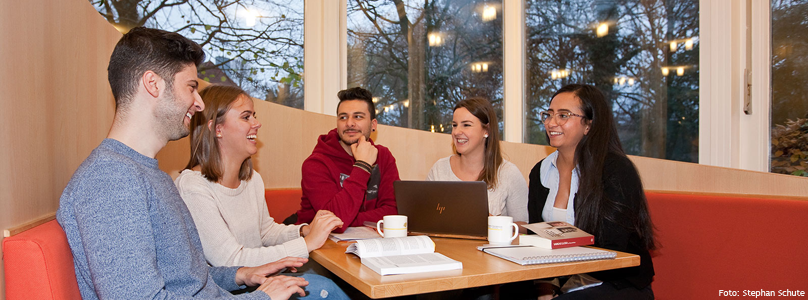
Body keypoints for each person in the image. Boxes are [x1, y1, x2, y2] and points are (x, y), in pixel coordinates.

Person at [57, 27, 309, 300]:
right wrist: (260, 298)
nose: (199, 103)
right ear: (153, 84)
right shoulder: (111, 180)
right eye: (191, 87)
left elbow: (185, 278)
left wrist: (239, 274)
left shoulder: (148, 173)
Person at [174, 84, 349, 299]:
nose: (257, 124)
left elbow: (264, 233)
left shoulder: (252, 179)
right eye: (246, 117)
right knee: (326, 289)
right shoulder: (193, 188)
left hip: (259, 280)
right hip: (228, 291)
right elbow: (231, 261)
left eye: (253, 116)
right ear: (217, 129)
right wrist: (307, 244)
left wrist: (303, 230)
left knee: (329, 279)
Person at [525, 84, 656, 299]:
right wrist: (546, 290)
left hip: (616, 285)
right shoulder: (541, 171)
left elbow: (612, 248)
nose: (551, 123)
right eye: (548, 115)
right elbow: (535, 237)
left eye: (563, 115)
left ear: (589, 125)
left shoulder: (616, 170)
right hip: (562, 282)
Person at [296, 87, 400, 232]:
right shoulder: (316, 163)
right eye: (343, 117)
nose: (349, 123)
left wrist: (349, 219)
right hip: (321, 247)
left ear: (373, 124)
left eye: (358, 116)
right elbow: (333, 223)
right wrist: (363, 166)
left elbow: (394, 212)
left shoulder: (383, 156)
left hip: (370, 243)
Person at [426, 98, 529, 224]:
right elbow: (426, 218)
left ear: (487, 130)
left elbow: (524, 226)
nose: (457, 132)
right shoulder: (439, 169)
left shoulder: (509, 173)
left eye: (466, 125)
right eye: (454, 125)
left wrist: (493, 223)